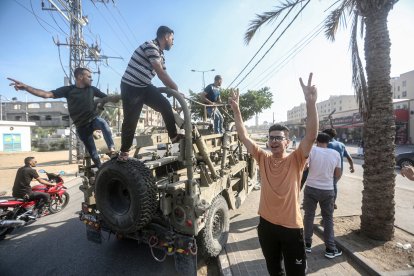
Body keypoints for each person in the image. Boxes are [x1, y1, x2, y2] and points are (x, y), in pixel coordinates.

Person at [228, 73, 318, 275]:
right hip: (266, 227)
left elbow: (311, 135)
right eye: (271, 138)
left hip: (291, 229)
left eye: (279, 138)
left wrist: (310, 104)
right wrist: (237, 111)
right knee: (274, 271)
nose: (274, 141)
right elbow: (243, 136)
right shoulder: (263, 158)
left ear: (287, 142)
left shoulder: (297, 159)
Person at [8, 68, 116, 168]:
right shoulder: (68, 90)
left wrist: (121, 97)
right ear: (80, 77)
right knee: (93, 153)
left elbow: (107, 98)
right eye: (89, 76)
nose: (91, 79)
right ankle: (101, 169)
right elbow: (46, 94)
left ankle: (112, 149)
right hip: (81, 126)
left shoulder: (92, 89)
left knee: (102, 122)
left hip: (93, 120)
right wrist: (26, 87)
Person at [118, 25, 182, 162]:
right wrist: (176, 88)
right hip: (131, 86)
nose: (173, 42)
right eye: (172, 38)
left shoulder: (161, 55)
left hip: (144, 86)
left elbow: (164, 73)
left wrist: (172, 91)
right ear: (166, 36)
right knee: (131, 120)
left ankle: (174, 136)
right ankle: (124, 152)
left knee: (165, 105)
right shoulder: (150, 46)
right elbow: (159, 72)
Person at [303, 132, 342, 258]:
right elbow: (338, 173)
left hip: (311, 188)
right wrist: (330, 182)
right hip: (328, 190)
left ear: (316, 141)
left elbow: (304, 166)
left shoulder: (312, 150)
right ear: (329, 142)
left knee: (309, 216)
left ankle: (306, 244)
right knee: (328, 218)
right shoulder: (335, 154)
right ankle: (330, 249)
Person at [322, 128, 355, 209]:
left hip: (329, 170)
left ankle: (331, 203)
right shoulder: (341, 144)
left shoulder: (327, 144)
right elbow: (349, 158)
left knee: (329, 187)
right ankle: (332, 203)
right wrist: (352, 167)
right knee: (333, 185)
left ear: (326, 136)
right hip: (339, 170)